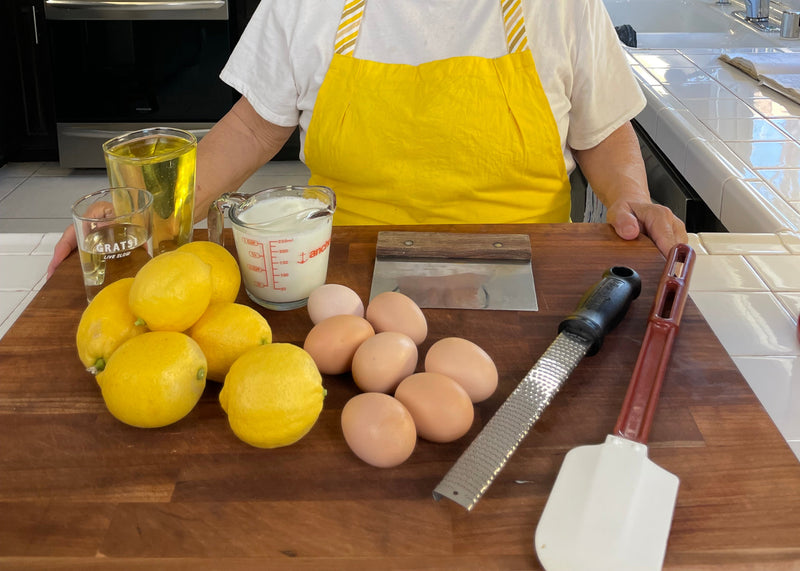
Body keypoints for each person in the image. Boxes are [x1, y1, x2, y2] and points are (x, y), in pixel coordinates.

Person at [49, 0, 686, 276]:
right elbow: (250, 125)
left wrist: (630, 194)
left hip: (530, 276)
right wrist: (147, 214)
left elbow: (602, 132)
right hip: (338, 280)